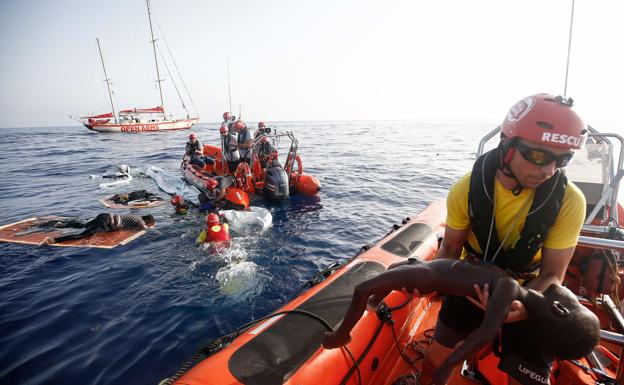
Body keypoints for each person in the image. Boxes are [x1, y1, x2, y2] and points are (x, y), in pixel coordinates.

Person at [423, 93, 588, 385]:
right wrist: (427, 281)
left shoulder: (570, 201)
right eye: (539, 155)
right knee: (436, 361)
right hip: (473, 283)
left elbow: (552, 273)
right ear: (507, 146)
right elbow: (450, 247)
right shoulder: (466, 189)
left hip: (531, 291)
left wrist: (524, 307)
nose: (549, 170)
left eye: (563, 159)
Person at [321, 259, 600, 385]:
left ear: (560, 311)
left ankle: (342, 336)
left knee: (363, 288)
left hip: (431, 275)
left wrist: (447, 367)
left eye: (570, 301)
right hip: (431, 273)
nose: (568, 294)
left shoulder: (507, 288)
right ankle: (372, 303)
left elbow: (486, 333)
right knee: (396, 272)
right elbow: (486, 331)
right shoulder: (509, 288)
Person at [39, 214, 155, 245]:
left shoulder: (136, 217)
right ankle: (53, 240)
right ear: (148, 221)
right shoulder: (141, 222)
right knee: (84, 235)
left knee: (84, 225)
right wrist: (159, 233)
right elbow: (146, 229)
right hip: (106, 221)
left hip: (104, 216)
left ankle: (61, 225)